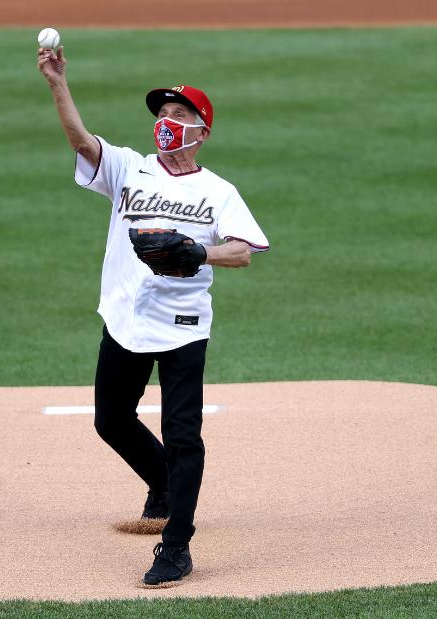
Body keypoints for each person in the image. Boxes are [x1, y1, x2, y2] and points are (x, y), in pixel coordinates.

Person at [37, 45, 269, 588]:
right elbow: (79, 139)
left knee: (184, 434)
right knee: (110, 420)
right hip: (124, 318)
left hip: (184, 327)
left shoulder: (219, 191)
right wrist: (56, 82)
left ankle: (178, 546)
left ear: (202, 131)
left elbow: (243, 251)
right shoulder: (127, 169)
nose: (166, 122)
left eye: (180, 115)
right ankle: (163, 483)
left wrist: (197, 253)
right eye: (162, 115)